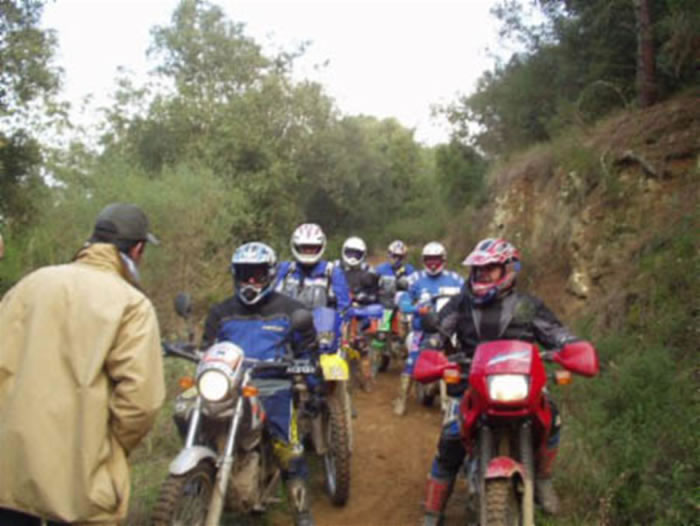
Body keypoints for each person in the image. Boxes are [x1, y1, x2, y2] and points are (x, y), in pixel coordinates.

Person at [0, 203, 165, 526]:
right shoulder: (132, 305)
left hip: (9, 471)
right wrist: (110, 450)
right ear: (138, 250)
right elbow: (141, 402)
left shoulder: (29, 285)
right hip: (81, 483)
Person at [422, 238, 583, 524]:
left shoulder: (526, 306)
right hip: (472, 385)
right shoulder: (461, 304)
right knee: (450, 438)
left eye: (490, 269)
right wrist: (431, 347)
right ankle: (433, 511)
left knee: (553, 418)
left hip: (521, 384)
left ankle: (543, 478)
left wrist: (571, 345)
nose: (482, 275)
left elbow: (555, 331)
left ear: (507, 270)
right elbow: (440, 330)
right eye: (478, 270)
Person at [202, 242, 317, 526]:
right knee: (192, 416)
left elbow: (308, 351)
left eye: (258, 274)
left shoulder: (291, 310)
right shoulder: (220, 312)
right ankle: (195, 484)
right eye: (245, 274)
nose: (251, 281)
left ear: (271, 274)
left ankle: (301, 512)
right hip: (227, 389)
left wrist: (311, 380)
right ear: (235, 275)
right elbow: (206, 349)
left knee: (289, 450)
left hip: (273, 386)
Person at [394, 241, 464, 416]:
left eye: (436, 259)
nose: (433, 263)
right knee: (412, 360)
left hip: (452, 330)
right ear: (423, 260)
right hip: (423, 330)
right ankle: (401, 399)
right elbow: (403, 301)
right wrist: (417, 308)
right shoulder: (415, 279)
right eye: (429, 259)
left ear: (443, 259)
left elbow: (468, 296)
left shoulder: (456, 279)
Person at [276, 223, 351, 314]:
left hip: (321, 322)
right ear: (296, 247)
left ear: (320, 247)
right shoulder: (285, 269)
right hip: (286, 320)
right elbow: (269, 297)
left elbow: (344, 308)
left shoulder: (332, 272)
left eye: (312, 248)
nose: (308, 251)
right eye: (304, 248)